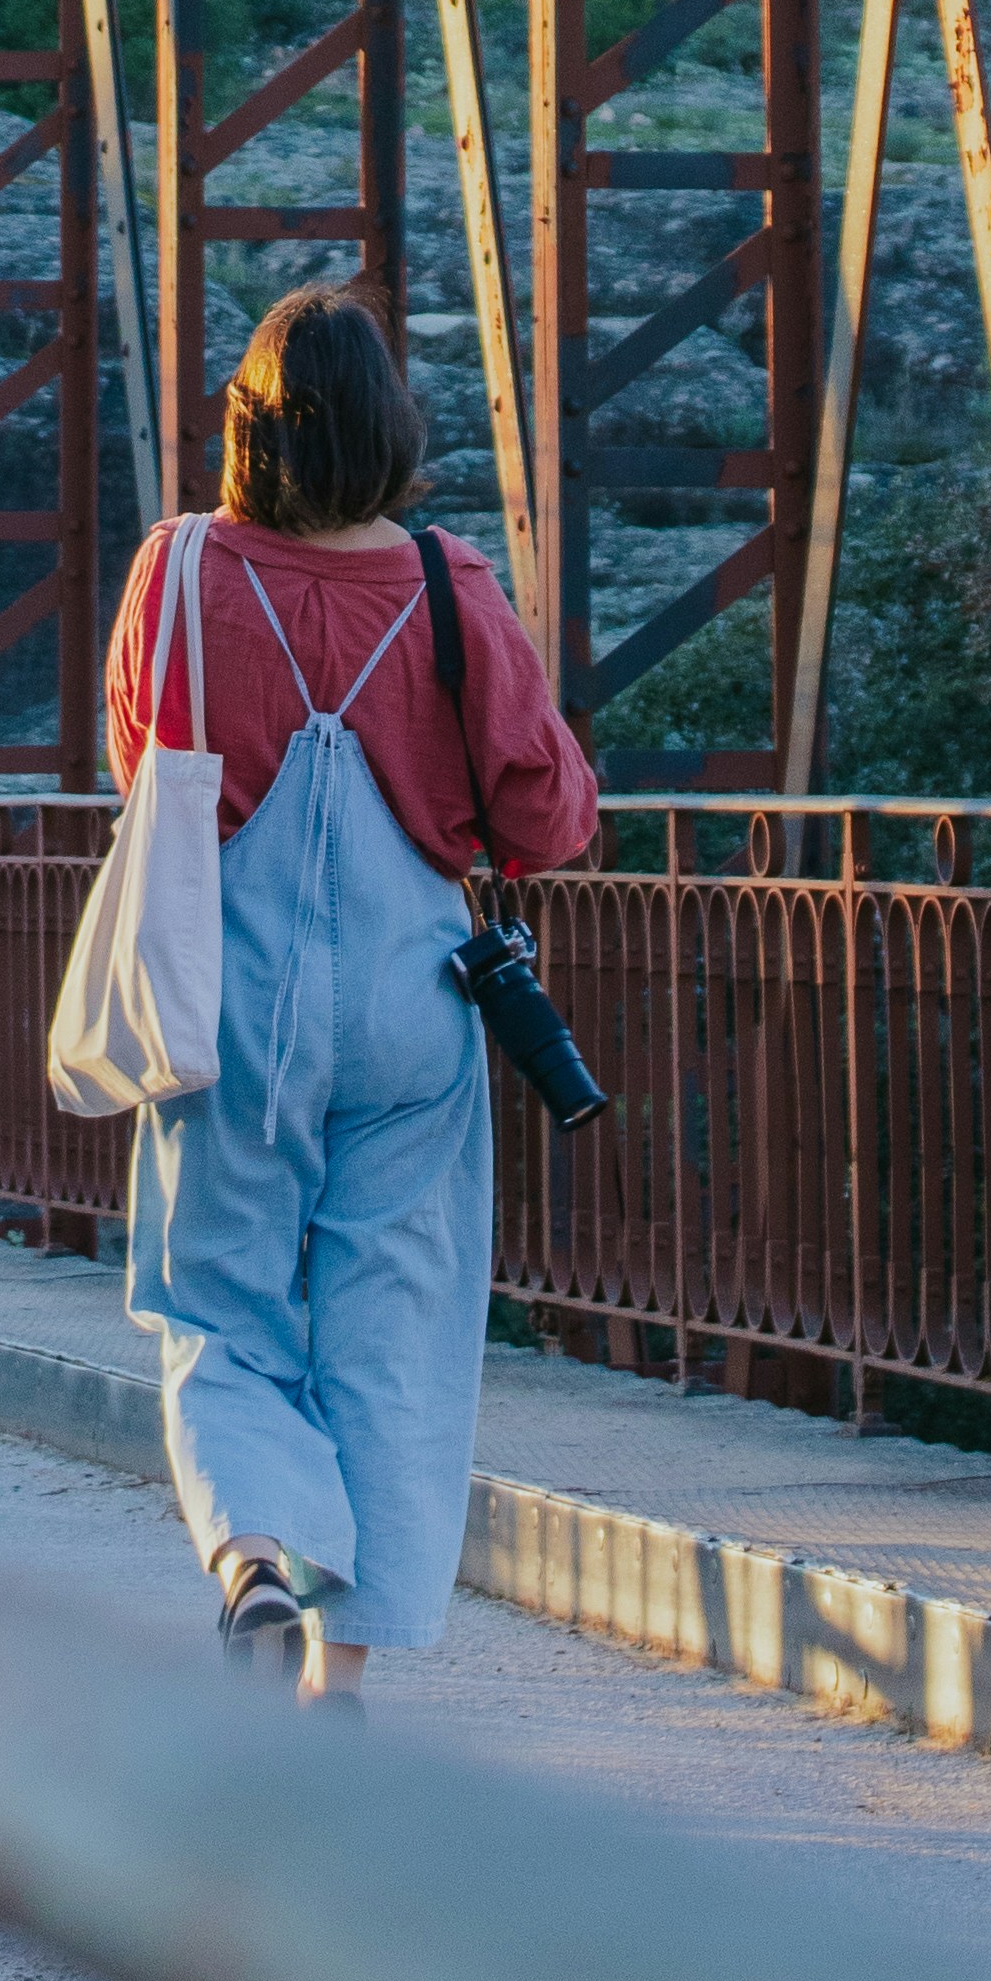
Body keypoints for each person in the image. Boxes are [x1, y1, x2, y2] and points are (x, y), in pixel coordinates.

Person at [107, 283, 596, 1712]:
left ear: (249, 426)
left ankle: (252, 1557)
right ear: (391, 422)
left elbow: (144, 764)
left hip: (231, 995)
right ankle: (346, 1674)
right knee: (392, 1326)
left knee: (220, 1299)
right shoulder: (452, 586)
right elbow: (548, 812)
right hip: (409, 1004)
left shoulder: (181, 571)